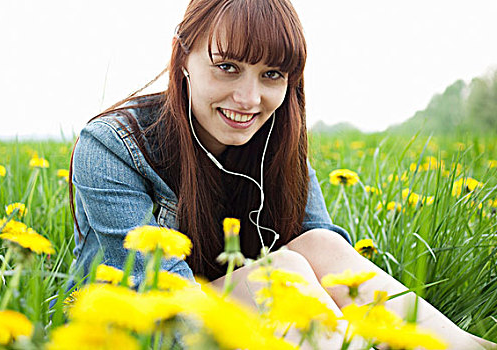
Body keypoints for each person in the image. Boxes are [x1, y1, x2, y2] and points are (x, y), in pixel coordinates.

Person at [68, 0, 495, 348]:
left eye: (271, 74)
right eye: (228, 67)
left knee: (320, 244)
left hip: (245, 313)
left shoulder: (278, 144)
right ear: (184, 58)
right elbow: (166, 304)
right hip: (140, 327)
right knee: (284, 269)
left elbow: (330, 271)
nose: (249, 98)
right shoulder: (112, 146)